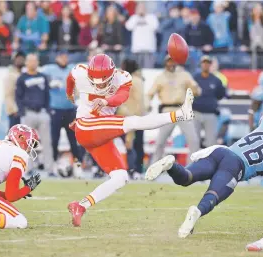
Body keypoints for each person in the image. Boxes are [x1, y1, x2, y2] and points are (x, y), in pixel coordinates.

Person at [145, 77, 263, 238]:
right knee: (213, 195)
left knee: (186, 177)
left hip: (221, 152)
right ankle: (197, 211)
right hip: (235, 166)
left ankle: (171, 165)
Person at [66, 54, 195, 227]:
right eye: (95, 82)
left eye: (103, 82)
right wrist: (70, 95)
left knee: (121, 177)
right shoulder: (81, 72)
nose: (99, 86)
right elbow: (70, 78)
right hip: (85, 127)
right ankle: (180, 114)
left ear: (112, 75)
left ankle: (81, 206)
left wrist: (106, 100)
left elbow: (122, 97)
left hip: (98, 133)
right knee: (133, 122)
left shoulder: (123, 77)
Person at [149, 55, 202, 164]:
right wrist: (147, 104)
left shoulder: (184, 75)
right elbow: (150, 93)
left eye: (173, 61)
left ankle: (193, 168)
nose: (171, 64)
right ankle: (154, 167)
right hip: (167, 110)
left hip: (183, 110)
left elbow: (197, 91)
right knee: (160, 142)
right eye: (169, 61)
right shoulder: (160, 77)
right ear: (165, 63)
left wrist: (194, 86)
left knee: (193, 140)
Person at [42, 53, 82, 177]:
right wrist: (49, 83)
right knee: (54, 140)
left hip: (70, 109)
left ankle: (78, 166)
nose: (64, 59)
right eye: (61, 56)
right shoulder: (49, 69)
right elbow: (41, 79)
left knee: (74, 140)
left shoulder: (72, 69)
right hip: (56, 110)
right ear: (56, 58)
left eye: (65, 56)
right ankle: (52, 166)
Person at [15, 53, 53, 173]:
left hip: (42, 112)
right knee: (27, 142)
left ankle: (50, 168)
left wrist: (47, 110)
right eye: (30, 61)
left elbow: (47, 95)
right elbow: (18, 96)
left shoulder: (43, 77)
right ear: (26, 63)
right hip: (28, 112)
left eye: (35, 61)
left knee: (47, 141)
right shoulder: (22, 78)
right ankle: (29, 168)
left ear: (38, 62)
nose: (33, 63)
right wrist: (22, 112)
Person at [117, 59, 146, 178]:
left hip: (128, 117)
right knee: (137, 144)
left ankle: (132, 169)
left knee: (129, 145)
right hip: (139, 117)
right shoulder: (139, 80)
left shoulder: (129, 80)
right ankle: (137, 169)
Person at [192, 55, 226, 147]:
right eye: (204, 63)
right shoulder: (194, 78)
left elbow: (221, 95)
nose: (205, 65)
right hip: (196, 113)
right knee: (194, 141)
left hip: (210, 114)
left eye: (208, 63)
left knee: (211, 142)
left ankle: (211, 161)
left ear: (210, 65)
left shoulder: (216, 80)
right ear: (201, 64)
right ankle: (192, 161)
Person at [125, 2, 159, 68]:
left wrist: (145, 16)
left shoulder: (151, 17)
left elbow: (155, 26)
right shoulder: (134, 17)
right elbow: (128, 26)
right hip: (137, 50)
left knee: (148, 71)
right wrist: (137, 16)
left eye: (142, 8)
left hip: (149, 50)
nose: (141, 9)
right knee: (136, 71)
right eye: (139, 8)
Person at [4, 51, 25, 129]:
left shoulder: (23, 74)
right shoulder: (10, 75)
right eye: (18, 58)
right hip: (15, 112)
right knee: (14, 136)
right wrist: (14, 110)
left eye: (22, 58)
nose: (20, 60)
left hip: (23, 111)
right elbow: (8, 94)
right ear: (14, 60)